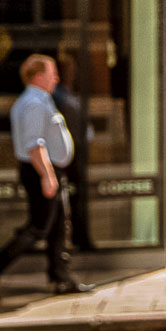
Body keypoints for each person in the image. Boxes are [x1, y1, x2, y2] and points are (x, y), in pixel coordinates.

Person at [0, 55, 87, 303]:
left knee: (57, 227)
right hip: (40, 171)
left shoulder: (39, 100)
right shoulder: (34, 103)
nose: (56, 78)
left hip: (45, 170)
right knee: (38, 228)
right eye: (51, 73)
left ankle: (61, 277)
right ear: (37, 76)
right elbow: (35, 144)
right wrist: (47, 175)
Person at [52, 54, 96, 254]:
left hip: (75, 154)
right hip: (66, 157)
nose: (73, 74)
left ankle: (79, 239)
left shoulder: (68, 94)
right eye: (70, 70)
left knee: (75, 199)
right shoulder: (58, 97)